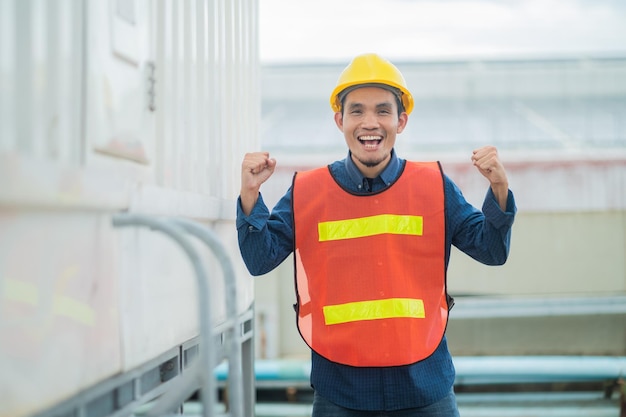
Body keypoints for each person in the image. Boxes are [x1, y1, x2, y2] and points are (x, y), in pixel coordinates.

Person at [237, 53, 516, 416]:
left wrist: (499, 189)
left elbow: (492, 251)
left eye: (383, 111)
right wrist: (250, 196)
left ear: (401, 121)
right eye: (357, 111)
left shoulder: (434, 187)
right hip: (341, 393)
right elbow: (259, 260)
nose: (370, 123)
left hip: (425, 388)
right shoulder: (308, 192)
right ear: (340, 120)